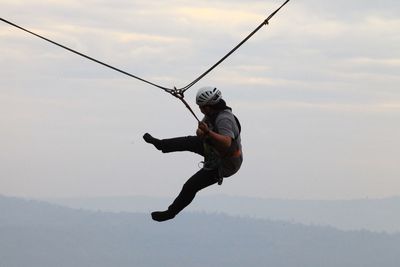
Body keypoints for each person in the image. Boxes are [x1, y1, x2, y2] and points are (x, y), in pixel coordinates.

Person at [143, 86, 243, 222]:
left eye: (201, 106)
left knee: (191, 186)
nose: (200, 109)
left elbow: (226, 142)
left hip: (226, 163)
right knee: (190, 141)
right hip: (214, 151)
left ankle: (170, 212)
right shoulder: (211, 115)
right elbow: (200, 132)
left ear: (208, 106)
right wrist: (202, 132)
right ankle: (161, 144)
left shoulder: (224, 118)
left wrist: (208, 133)